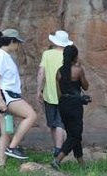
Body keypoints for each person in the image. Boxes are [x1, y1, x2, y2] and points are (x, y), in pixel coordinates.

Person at [0, 28, 37, 164]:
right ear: (11, 41)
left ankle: (1, 164)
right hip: (5, 95)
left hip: (4, 95)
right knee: (31, 115)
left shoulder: (5, 55)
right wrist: (0, 99)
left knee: (6, 131)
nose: (18, 45)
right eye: (17, 42)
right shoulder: (0, 54)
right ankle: (12, 147)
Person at [52, 45, 90, 170]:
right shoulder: (78, 70)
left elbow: (59, 93)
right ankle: (57, 160)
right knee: (75, 134)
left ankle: (82, 164)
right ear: (75, 57)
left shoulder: (58, 71)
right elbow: (85, 86)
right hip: (75, 106)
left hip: (63, 104)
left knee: (73, 134)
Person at [37, 30, 73, 158]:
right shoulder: (69, 56)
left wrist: (38, 90)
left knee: (53, 124)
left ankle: (57, 148)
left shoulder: (47, 54)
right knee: (60, 124)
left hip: (49, 94)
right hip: (65, 95)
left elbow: (41, 73)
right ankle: (59, 149)